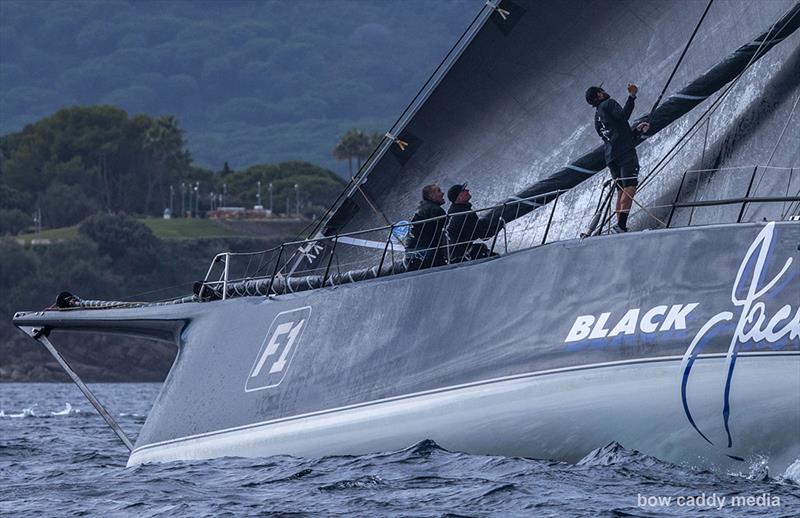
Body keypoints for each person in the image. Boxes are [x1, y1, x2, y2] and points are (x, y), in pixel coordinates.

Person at [585, 84, 650, 232]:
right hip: (625, 154)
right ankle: (621, 226)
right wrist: (632, 96)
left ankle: (618, 226)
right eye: (602, 90)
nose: (605, 91)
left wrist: (636, 131)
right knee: (630, 186)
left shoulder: (597, 118)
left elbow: (614, 135)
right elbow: (623, 116)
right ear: (599, 95)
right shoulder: (609, 103)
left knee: (621, 191)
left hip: (611, 158)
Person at [445, 183, 494, 263]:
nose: (468, 190)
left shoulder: (452, 211)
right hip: (461, 257)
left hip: (452, 256)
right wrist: (500, 224)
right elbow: (484, 235)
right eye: (464, 190)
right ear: (459, 197)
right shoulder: (465, 213)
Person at [404, 184, 447, 270]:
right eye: (439, 191)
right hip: (428, 255)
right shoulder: (435, 210)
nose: (443, 193)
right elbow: (444, 233)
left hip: (413, 256)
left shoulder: (421, 208)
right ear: (431, 196)